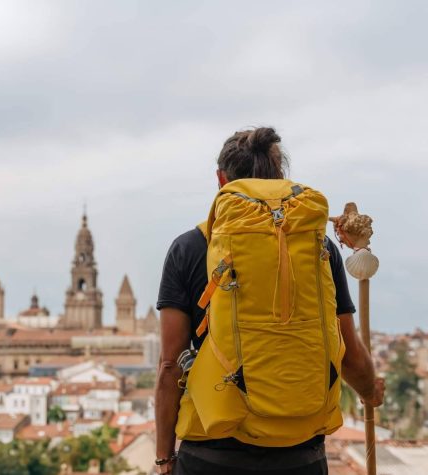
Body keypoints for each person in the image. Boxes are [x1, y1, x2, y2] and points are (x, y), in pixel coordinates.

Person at [154, 127, 385, 475]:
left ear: (222, 180)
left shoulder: (189, 247)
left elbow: (170, 366)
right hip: (300, 455)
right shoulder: (317, 246)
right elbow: (348, 351)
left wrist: (164, 458)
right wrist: (370, 389)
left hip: (212, 453)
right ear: (280, 177)